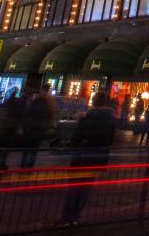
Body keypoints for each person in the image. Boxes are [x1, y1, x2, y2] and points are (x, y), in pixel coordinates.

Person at [59, 92, 117, 227]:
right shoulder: (110, 120)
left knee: (74, 187)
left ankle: (67, 216)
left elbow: (76, 138)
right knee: (86, 187)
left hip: (82, 156)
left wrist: (71, 145)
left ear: (93, 102)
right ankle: (76, 216)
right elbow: (110, 139)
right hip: (98, 157)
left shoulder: (86, 118)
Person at [20, 85, 56, 168]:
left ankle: (23, 165)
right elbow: (51, 115)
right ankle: (30, 166)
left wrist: (25, 127)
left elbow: (28, 114)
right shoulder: (50, 101)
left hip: (30, 129)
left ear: (42, 90)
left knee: (26, 149)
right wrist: (48, 126)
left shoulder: (36, 101)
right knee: (34, 149)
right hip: (39, 129)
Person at [0, 87, 27, 171]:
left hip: (5, 128)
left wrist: (13, 94)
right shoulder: (20, 108)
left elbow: (8, 102)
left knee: (0, 149)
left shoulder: (10, 106)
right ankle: (1, 165)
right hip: (12, 129)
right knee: (5, 149)